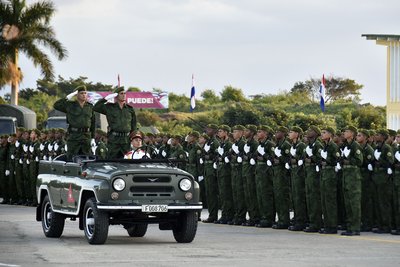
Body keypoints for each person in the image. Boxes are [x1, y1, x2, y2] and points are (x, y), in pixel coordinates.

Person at [93, 87, 136, 159]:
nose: (124, 95)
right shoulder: (109, 107)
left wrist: (132, 138)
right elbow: (96, 107)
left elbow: (133, 125)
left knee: (127, 161)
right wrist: (105, 99)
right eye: (121, 93)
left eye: (124, 93)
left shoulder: (130, 109)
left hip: (126, 140)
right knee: (111, 160)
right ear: (116, 96)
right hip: (114, 139)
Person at [53, 85, 95, 159]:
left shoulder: (90, 106)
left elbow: (93, 123)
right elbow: (56, 105)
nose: (84, 95)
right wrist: (67, 97)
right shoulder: (70, 105)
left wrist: (93, 138)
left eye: (85, 93)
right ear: (76, 95)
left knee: (86, 158)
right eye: (81, 93)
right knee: (71, 157)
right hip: (74, 136)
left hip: (86, 136)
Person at [340, 125, 363, 236]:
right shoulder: (346, 145)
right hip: (346, 176)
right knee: (348, 203)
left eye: (347, 131)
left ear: (352, 134)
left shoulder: (355, 145)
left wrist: (348, 160)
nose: (344, 132)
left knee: (354, 203)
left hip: (353, 177)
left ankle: (355, 228)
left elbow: (359, 161)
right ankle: (350, 226)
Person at [319, 126, 340, 234]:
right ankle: (327, 224)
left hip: (330, 174)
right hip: (324, 173)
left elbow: (336, 160)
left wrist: (326, 160)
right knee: (324, 200)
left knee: (330, 201)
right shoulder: (325, 146)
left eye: (324, 132)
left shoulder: (333, 146)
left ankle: (332, 226)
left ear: (330, 134)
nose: (322, 134)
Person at [255, 125, 276, 228]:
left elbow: (273, 159)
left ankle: (269, 218)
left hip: (266, 174)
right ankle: (263, 217)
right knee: (260, 196)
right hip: (259, 173)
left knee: (266, 196)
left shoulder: (269, 144)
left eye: (260, 132)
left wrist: (264, 155)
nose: (258, 133)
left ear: (266, 134)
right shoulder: (260, 144)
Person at [303, 125, 323, 233]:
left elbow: (320, 159)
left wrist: (311, 158)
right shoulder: (309, 145)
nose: (308, 132)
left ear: (315, 133)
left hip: (315, 176)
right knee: (310, 199)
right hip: (308, 174)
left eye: (311, 131)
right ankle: (312, 222)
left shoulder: (318, 145)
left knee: (315, 200)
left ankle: (316, 223)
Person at [271, 126, 291, 229]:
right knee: (278, 197)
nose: (276, 133)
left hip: (283, 175)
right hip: (276, 173)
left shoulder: (286, 145)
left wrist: (280, 158)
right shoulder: (278, 144)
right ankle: (281, 219)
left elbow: (289, 159)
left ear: (283, 133)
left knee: (283, 197)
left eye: (278, 132)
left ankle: (285, 220)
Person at [287, 126, 307, 231]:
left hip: (299, 174)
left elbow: (302, 159)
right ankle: (297, 219)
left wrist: (295, 159)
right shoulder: (293, 145)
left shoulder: (301, 145)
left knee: (299, 198)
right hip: (294, 173)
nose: (289, 133)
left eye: (291, 132)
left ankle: (301, 221)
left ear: (297, 134)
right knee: (295, 198)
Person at [215, 125, 234, 224]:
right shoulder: (221, 143)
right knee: (222, 194)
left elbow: (230, 158)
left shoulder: (228, 144)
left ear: (226, 132)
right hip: (221, 170)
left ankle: (228, 215)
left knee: (227, 194)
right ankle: (224, 214)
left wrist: (222, 157)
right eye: (218, 131)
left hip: (226, 171)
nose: (219, 133)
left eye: (221, 131)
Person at [202, 124, 220, 223]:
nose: (207, 131)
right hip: (207, 170)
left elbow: (217, 155)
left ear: (213, 131)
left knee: (213, 194)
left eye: (209, 129)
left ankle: (213, 216)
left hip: (212, 171)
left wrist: (210, 157)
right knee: (209, 194)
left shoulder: (215, 142)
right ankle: (211, 214)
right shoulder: (208, 142)